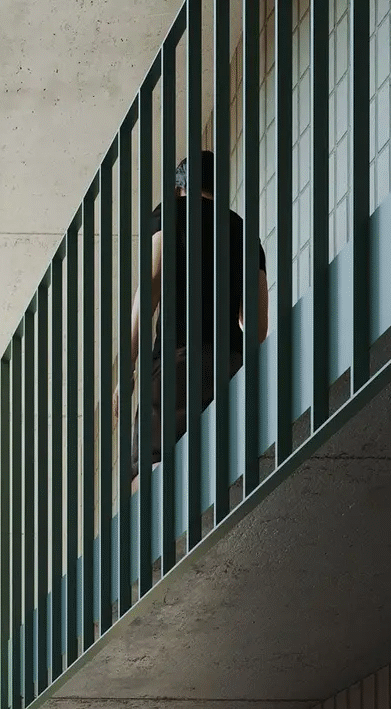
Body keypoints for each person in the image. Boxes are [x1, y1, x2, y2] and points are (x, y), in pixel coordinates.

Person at [126, 151, 268, 482]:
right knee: (217, 468)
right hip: (229, 365)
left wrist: (129, 366)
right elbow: (257, 327)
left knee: (149, 468)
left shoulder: (170, 215)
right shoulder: (245, 233)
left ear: (179, 189)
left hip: (178, 362)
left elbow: (149, 292)